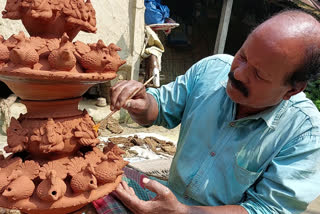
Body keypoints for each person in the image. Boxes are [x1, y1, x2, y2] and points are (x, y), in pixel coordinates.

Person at [105, 10, 320, 214]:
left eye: (259, 74)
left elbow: (267, 209)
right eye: (243, 55)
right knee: (101, 180)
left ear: (292, 90)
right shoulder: (211, 70)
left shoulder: (306, 134)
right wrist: (144, 103)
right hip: (170, 201)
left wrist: (184, 212)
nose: (238, 73)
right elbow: (159, 109)